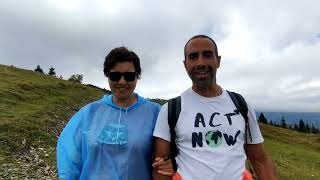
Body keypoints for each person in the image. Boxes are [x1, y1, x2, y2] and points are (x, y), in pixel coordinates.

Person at [152, 35, 279, 180]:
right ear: (185, 64)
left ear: (218, 61)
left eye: (207, 55)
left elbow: (260, 160)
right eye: (193, 57)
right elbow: (161, 168)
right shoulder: (170, 109)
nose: (200, 62)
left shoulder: (241, 104)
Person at [57, 47, 173, 180]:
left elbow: (173, 151)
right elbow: (69, 155)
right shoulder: (89, 113)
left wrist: (172, 163)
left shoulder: (155, 113)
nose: (122, 81)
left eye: (129, 76)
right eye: (115, 76)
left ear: (137, 76)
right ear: (107, 76)